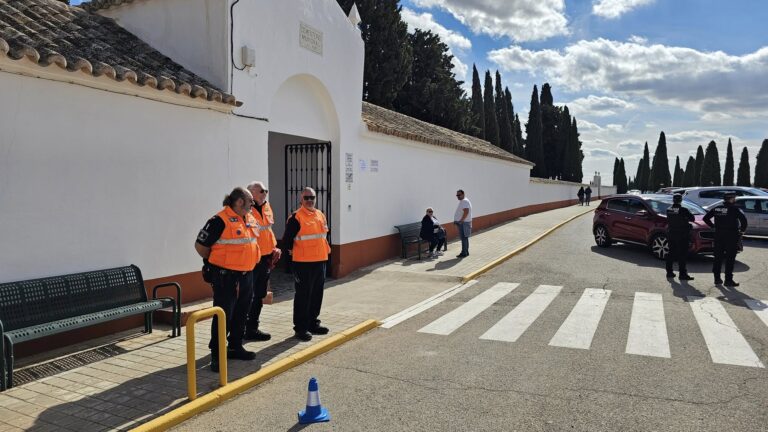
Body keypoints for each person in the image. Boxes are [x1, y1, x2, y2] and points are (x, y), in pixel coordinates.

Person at [195, 187, 260, 372]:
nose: (252, 205)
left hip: (247, 275)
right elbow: (200, 246)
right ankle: (217, 354)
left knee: (242, 312)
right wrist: (212, 263)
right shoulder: (219, 220)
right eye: (250, 202)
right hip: (226, 277)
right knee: (223, 315)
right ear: (239, 202)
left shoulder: (249, 218)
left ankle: (235, 346)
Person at [283, 187, 331, 341]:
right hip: (303, 263)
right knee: (303, 296)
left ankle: (313, 323)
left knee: (317, 294)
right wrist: (290, 263)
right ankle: (301, 328)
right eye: (306, 198)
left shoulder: (320, 215)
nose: (310, 200)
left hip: (320, 261)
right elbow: (287, 241)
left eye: (312, 197)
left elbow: (322, 237)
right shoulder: (296, 217)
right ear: (301, 200)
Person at [244, 181, 282, 342]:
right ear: (251, 192)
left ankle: (253, 328)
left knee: (259, 294)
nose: (265, 193)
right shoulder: (245, 209)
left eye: (266, 190)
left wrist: (275, 247)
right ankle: (241, 329)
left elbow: (268, 230)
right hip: (251, 259)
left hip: (266, 257)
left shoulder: (267, 206)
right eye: (262, 191)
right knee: (246, 295)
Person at [703, 192, 747, 286]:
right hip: (731, 237)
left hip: (719, 236)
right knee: (730, 259)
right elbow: (744, 221)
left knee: (718, 258)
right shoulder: (734, 209)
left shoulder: (717, 208)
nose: (735, 199)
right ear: (731, 199)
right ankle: (728, 280)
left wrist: (713, 226)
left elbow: (705, 218)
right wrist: (742, 232)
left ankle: (717, 279)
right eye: (734, 198)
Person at [665, 194, 695, 280]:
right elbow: (692, 218)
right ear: (680, 200)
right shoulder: (683, 210)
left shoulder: (669, 209)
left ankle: (669, 272)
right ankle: (682, 274)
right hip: (682, 235)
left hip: (671, 234)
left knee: (671, 253)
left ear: (673, 200)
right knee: (682, 255)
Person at [453, 189, 472, 258]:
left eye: (459, 195)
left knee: (464, 238)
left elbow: (466, 211)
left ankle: (464, 253)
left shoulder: (464, 201)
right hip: (464, 222)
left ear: (463, 194)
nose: (458, 196)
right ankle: (466, 252)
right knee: (465, 238)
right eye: (457, 195)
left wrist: (461, 221)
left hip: (463, 223)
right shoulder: (464, 201)